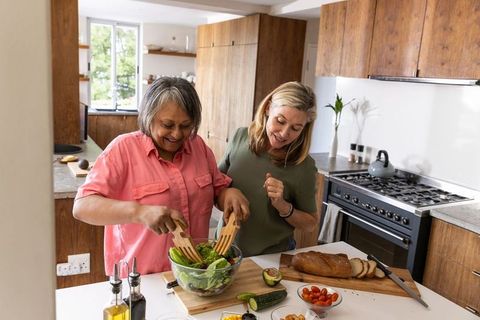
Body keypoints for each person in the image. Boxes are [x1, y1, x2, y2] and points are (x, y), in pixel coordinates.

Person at [73, 77, 249, 276]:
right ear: (149, 117)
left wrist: (228, 194)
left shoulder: (198, 146)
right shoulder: (123, 149)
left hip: (194, 274)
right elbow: (82, 206)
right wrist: (139, 212)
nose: (177, 134)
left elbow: (217, 190)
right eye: (167, 124)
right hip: (142, 277)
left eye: (186, 126)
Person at [218, 81, 318, 257]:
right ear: (268, 109)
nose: (284, 133)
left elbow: (310, 224)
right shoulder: (240, 137)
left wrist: (283, 206)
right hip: (224, 250)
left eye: (296, 128)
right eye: (280, 121)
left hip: (272, 257)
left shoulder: (305, 167)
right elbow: (215, 185)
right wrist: (227, 192)